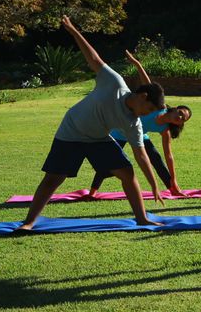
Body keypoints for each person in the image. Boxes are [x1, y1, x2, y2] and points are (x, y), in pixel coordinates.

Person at [17, 16, 166, 230]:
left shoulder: (134, 123)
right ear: (142, 96)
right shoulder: (114, 83)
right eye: (150, 109)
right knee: (54, 178)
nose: (148, 114)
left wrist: (154, 186)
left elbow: (141, 155)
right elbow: (94, 59)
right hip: (71, 131)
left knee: (127, 173)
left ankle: (141, 218)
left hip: (97, 138)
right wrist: (73, 31)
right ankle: (29, 222)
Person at [88, 51, 192, 197]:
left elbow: (169, 156)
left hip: (139, 134)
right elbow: (148, 84)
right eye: (180, 113)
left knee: (156, 159)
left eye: (183, 119)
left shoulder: (165, 130)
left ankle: (173, 189)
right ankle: (92, 193)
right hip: (120, 132)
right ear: (174, 109)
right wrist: (137, 64)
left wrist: (174, 179)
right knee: (108, 162)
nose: (180, 117)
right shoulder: (158, 107)